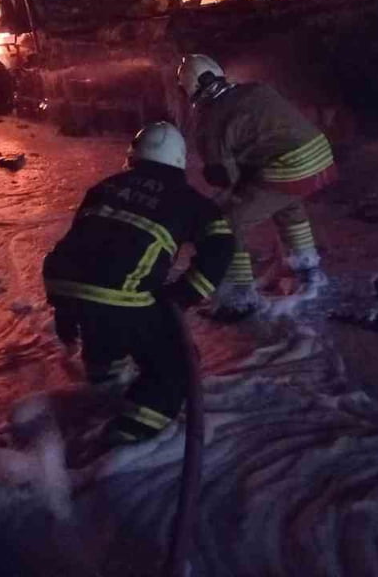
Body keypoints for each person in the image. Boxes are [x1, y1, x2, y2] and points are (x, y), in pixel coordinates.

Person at [42, 121, 234, 448]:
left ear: (134, 155)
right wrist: (184, 294)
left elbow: (83, 248)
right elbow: (222, 245)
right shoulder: (190, 201)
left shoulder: (106, 186)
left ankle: (105, 379)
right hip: (120, 293)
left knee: (105, 318)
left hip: (62, 284)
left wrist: (64, 307)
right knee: (176, 363)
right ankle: (130, 433)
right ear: (179, 160)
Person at [177, 54, 337, 322]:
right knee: (287, 203)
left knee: (227, 222)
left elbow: (224, 177)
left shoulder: (210, 120)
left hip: (289, 166)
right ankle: (308, 269)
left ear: (189, 89)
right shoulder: (255, 89)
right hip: (319, 154)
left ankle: (239, 297)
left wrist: (224, 196)